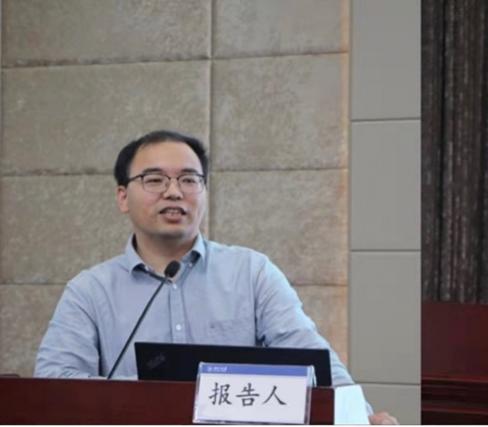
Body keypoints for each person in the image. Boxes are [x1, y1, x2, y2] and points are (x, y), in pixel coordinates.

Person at [35, 130, 396, 424]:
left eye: (189, 180)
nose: (174, 191)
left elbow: (310, 356)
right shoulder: (89, 291)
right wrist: (161, 396)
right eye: (154, 179)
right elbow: (55, 385)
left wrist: (360, 417)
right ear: (122, 197)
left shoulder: (251, 273)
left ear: (205, 193)